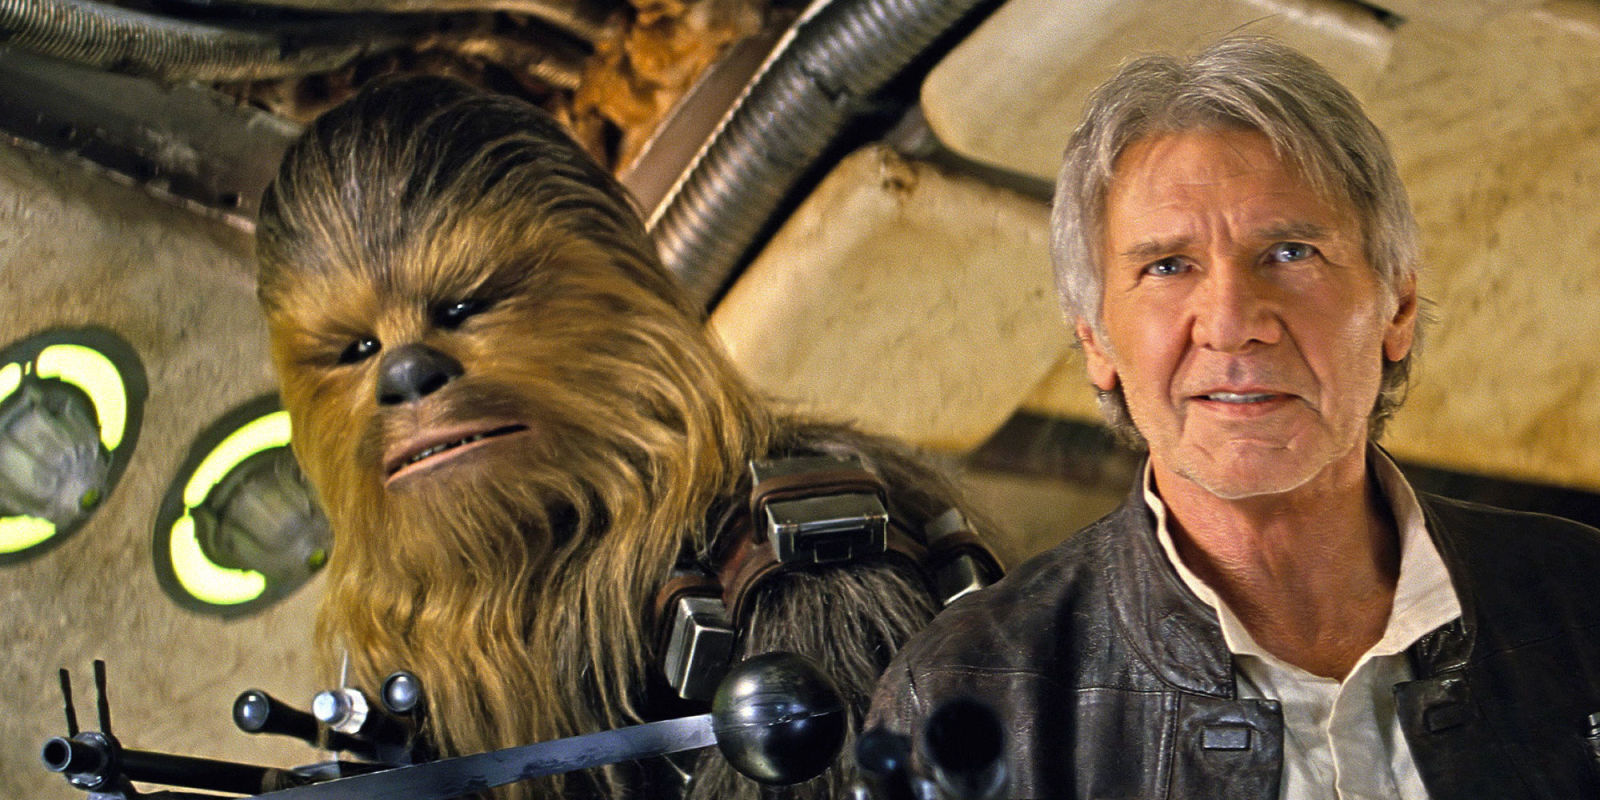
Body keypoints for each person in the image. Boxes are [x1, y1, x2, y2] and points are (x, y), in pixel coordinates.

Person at [866, 35, 1600, 799]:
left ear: (1398, 307)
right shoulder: (968, 697)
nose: (1231, 323)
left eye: (1290, 252)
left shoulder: (1583, 601)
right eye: (1167, 266)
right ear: (1097, 341)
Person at [254, 75, 998, 800]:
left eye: (461, 308)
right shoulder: (391, 685)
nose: (405, 373)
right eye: (354, 351)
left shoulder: (800, 565)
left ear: (619, 300)